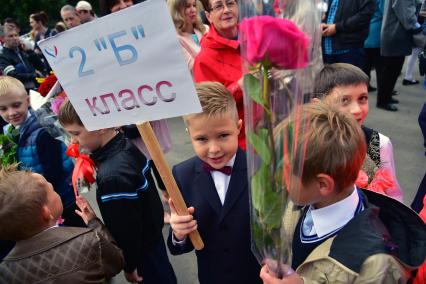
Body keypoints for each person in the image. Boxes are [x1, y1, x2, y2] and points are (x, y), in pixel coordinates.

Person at [259, 102, 426, 283]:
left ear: (323, 184)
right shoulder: (302, 202)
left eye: (284, 171)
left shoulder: (375, 264)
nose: (277, 179)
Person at [58, 100, 177, 284]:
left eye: (76, 133)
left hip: (142, 251)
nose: (73, 141)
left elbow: (126, 230)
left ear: (100, 126)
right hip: (152, 237)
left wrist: (130, 266)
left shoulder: (111, 176)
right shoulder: (125, 143)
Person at [167, 82, 261, 284]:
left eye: (223, 135)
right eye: (202, 139)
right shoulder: (182, 175)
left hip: (257, 277)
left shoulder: (260, 169)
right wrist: (179, 233)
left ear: (238, 128)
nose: (214, 149)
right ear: (189, 135)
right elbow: (179, 246)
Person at [0, 165, 124, 283]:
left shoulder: (5, 272)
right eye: (52, 189)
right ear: (46, 212)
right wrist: (94, 222)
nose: (54, 190)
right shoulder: (89, 240)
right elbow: (117, 262)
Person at [312, 63, 403, 201]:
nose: (356, 110)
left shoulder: (379, 143)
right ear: (318, 105)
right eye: (344, 100)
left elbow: (393, 196)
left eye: (362, 98)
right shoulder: (306, 145)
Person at [0, 76, 81, 226]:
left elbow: (53, 172)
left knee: (75, 230)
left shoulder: (42, 131)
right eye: (3, 109)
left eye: (16, 105)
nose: (11, 113)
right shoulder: (10, 131)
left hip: (60, 198)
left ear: (28, 101)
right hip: (42, 198)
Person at [193, 0, 247, 150]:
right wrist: (239, 87)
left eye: (230, 3)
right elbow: (208, 111)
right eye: (218, 6)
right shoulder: (204, 60)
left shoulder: (255, 37)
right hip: (240, 144)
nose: (226, 10)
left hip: (271, 131)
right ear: (208, 16)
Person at [378, 0, 422, 111]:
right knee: (390, 71)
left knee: (392, 71)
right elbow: (406, 13)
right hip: (395, 36)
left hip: (394, 35)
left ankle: (386, 97)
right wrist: (417, 28)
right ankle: (383, 101)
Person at [321, 0, 375, 69]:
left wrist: (337, 27)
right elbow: (322, 11)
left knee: (350, 78)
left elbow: (364, 16)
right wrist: (320, 23)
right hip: (326, 50)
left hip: (349, 50)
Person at [0, 27, 47, 91]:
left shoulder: (23, 50)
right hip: (22, 91)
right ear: (3, 39)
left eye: (16, 35)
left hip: (38, 86)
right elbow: (13, 76)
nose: (15, 38)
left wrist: (29, 51)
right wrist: (34, 75)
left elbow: (41, 66)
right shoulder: (3, 56)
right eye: (10, 36)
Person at [168, 0, 209, 73]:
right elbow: (194, 68)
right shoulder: (176, 39)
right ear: (176, 11)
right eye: (187, 6)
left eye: (194, 5)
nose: (193, 10)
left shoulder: (206, 28)